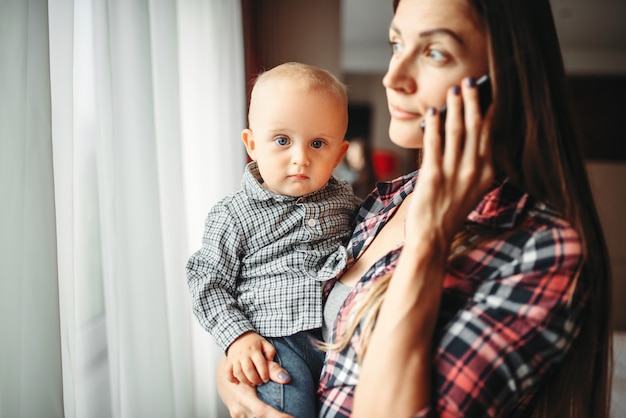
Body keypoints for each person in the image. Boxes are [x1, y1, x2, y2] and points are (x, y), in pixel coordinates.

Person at [216, 0, 613, 417]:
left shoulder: (541, 250)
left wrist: (429, 241)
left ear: (504, 81)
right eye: (396, 44)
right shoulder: (384, 200)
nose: (393, 78)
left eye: (435, 52)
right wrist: (236, 369)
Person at [186, 62, 361, 418]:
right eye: (282, 140)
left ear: (339, 154)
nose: (301, 158)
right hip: (274, 345)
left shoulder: (347, 202)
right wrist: (237, 337)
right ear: (252, 145)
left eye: (318, 143)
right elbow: (207, 282)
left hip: (337, 342)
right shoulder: (234, 213)